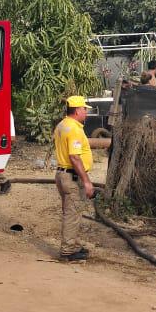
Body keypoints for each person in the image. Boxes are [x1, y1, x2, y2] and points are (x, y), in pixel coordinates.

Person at [52, 96, 111, 262]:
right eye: (84, 109)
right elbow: (75, 157)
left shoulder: (62, 125)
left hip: (62, 174)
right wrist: (86, 181)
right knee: (72, 213)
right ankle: (67, 251)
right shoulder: (75, 130)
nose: (86, 112)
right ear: (77, 110)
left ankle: (73, 245)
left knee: (71, 211)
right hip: (71, 176)